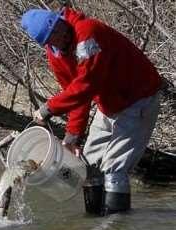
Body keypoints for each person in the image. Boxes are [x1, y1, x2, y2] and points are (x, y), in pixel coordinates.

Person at [20, 7, 161, 215]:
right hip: (109, 105)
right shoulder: (56, 55)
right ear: (47, 43)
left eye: (57, 27)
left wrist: (48, 108)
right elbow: (76, 95)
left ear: (59, 19)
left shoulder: (88, 33)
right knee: (88, 166)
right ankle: (93, 229)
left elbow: (87, 85)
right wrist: (71, 137)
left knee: (113, 170)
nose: (60, 35)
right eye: (52, 36)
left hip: (139, 99)